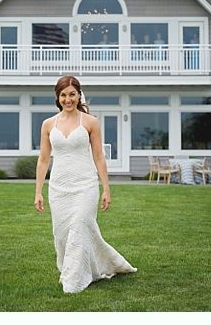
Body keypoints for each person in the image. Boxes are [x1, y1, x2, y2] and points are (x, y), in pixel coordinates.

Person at [34, 75, 136, 293]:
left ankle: (74, 281)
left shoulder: (91, 122)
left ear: (79, 95)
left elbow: (99, 156)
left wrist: (106, 189)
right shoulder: (48, 124)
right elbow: (43, 159)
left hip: (85, 186)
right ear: (57, 97)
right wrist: (38, 192)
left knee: (80, 226)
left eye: (72, 94)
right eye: (63, 95)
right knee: (62, 235)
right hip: (59, 188)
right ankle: (92, 266)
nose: (68, 99)